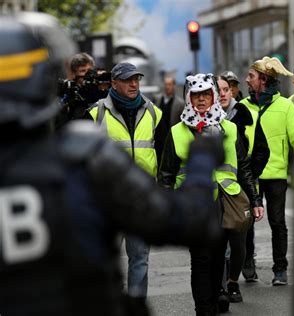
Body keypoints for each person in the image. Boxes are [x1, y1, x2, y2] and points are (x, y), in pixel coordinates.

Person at [0, 12, 223, 316]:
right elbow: (191, 222)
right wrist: (201, 161)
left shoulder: (145, 117)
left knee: (138, 259)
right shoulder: (83, 161)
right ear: (43, 80)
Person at [159, 73, 263, 315]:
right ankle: (203, 309)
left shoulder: (231, 128)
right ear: (189, 98)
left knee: (218, 259)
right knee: (201, 260)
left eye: (206, 94)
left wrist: (255, 200)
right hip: (194, 205)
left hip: (225, 204)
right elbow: (166, 174)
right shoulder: (177, 132)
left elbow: (244, 167)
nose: (202, 99)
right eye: (197, 95)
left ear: (214, 96)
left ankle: (216, 300)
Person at [85, 61, 166, 303]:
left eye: (136, 79)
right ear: (114, 83)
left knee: (140, 257)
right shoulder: (95, 113)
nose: (134, 84)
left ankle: (136, 304)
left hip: (141, 199)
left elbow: (163, 157)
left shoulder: (154, 113)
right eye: (128, 79)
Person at [240, 57, 294, 285]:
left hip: (276, 175)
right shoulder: (243, 107)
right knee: (245, 223)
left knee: (278, 223)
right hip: (250, 177)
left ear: (264, 79)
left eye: (251, 76)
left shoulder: (286, 106)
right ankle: (248, 262)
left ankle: (280, 268)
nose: (247, 80)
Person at [216, 76, 269, 303]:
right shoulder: (198, 120)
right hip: (212, 194)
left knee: (239, 242)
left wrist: (254, 194)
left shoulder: (245, 115)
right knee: (218, 244)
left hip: (238, 190)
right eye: (218, 90)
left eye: (226, 89)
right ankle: (220, 289)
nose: (223, 94)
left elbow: (258, 150)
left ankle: (233, 280)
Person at [55, 52, 110, 129]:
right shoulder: (68, 91)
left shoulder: (99, 90)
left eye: (90, 71)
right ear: (74, 74)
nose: (88, 75)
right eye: (83, 71)